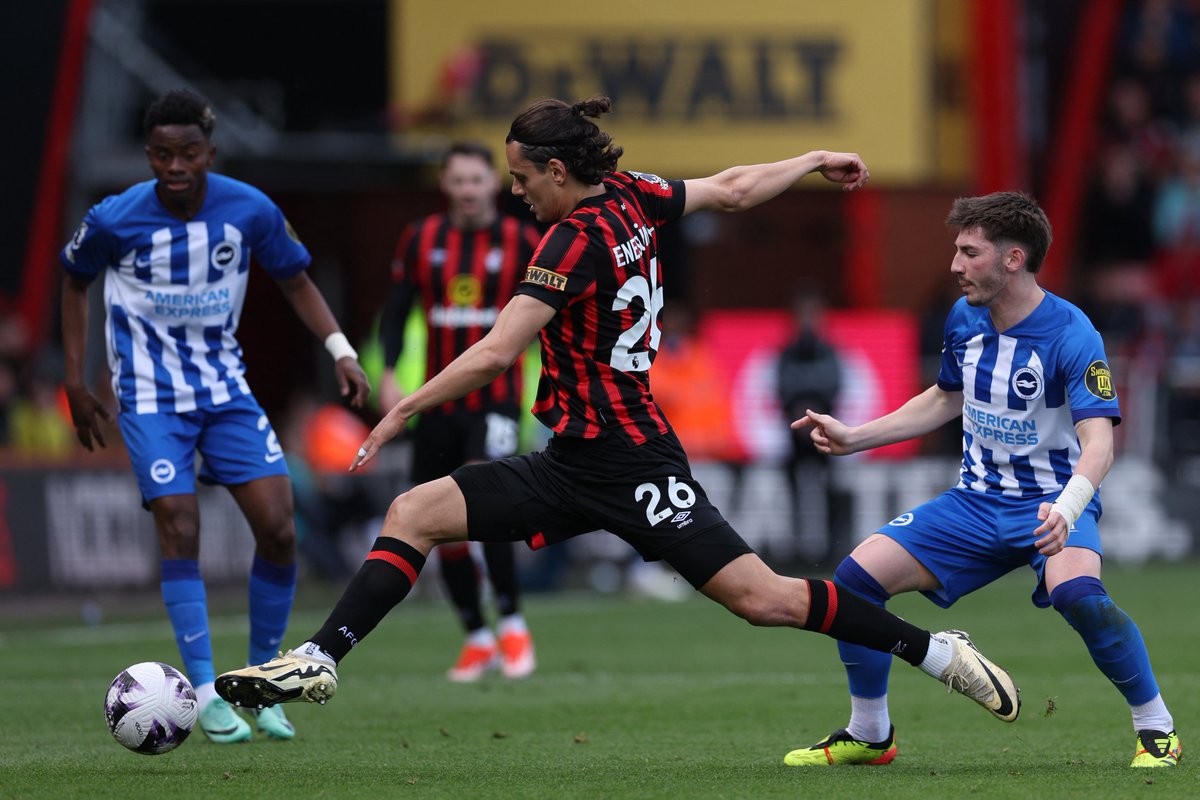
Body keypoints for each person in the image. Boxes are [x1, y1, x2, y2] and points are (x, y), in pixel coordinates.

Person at [216, 97, 1021, 761]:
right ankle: (320, 660)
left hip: (632, 460)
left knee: (765, 599)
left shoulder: (570, 240)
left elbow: (498, 351)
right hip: (572, 460)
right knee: (414, 514)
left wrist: (401, 406)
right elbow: (735, 188)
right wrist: (809, 158)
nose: (516, 192)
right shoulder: (632, 193)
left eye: (523, 178)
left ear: (559, 172)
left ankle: (936, 652)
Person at [788, 191, 1181, 768]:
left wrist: (1068, 509)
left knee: (1080, 596)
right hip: (973, 504)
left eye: (969, 252)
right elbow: (946, 397)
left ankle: (1157, 729)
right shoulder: (963, 317)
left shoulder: (1074, 334)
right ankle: (870, 733)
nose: (955, 265)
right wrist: (855, 437)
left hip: (1050, 502)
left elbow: (1100, 444)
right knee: (853, 583)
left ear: (1013, 259)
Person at [59, 89, 370, 744]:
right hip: (148, 394)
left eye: (189, 153)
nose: (175, 166)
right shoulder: (115, 218)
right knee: (179, 520)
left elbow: (295, 279)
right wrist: (76, 379)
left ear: (210, 154)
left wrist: (340, 350)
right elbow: (75, 280)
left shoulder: (249, 209)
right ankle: (203, 691)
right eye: (162, 154)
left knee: (280, 528)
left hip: (225, 390)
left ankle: (258, 686)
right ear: (149, 155)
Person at [377, 141, 541, 682]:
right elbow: (397, 314)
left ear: (493, 184)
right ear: (444, 185)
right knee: (431, 516)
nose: (468, 191)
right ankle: (475, 634)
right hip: (439, 405)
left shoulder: (522, 241)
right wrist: (388, 375)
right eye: (458, 181)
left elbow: (552, 317)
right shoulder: (421, 239)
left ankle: (513, 625)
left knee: (486, 507)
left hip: (494, 401)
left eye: (477, 180)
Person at [775, 288, 842, 561]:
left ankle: (833, 546)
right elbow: (781, 391)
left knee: (830, 489)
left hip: (824, 435)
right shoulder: (786, 354)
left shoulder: (829, 353)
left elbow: (834, 389)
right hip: (794, 436)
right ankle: (795, 547)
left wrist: (814, 417)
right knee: (790, 491)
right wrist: (802, 420)